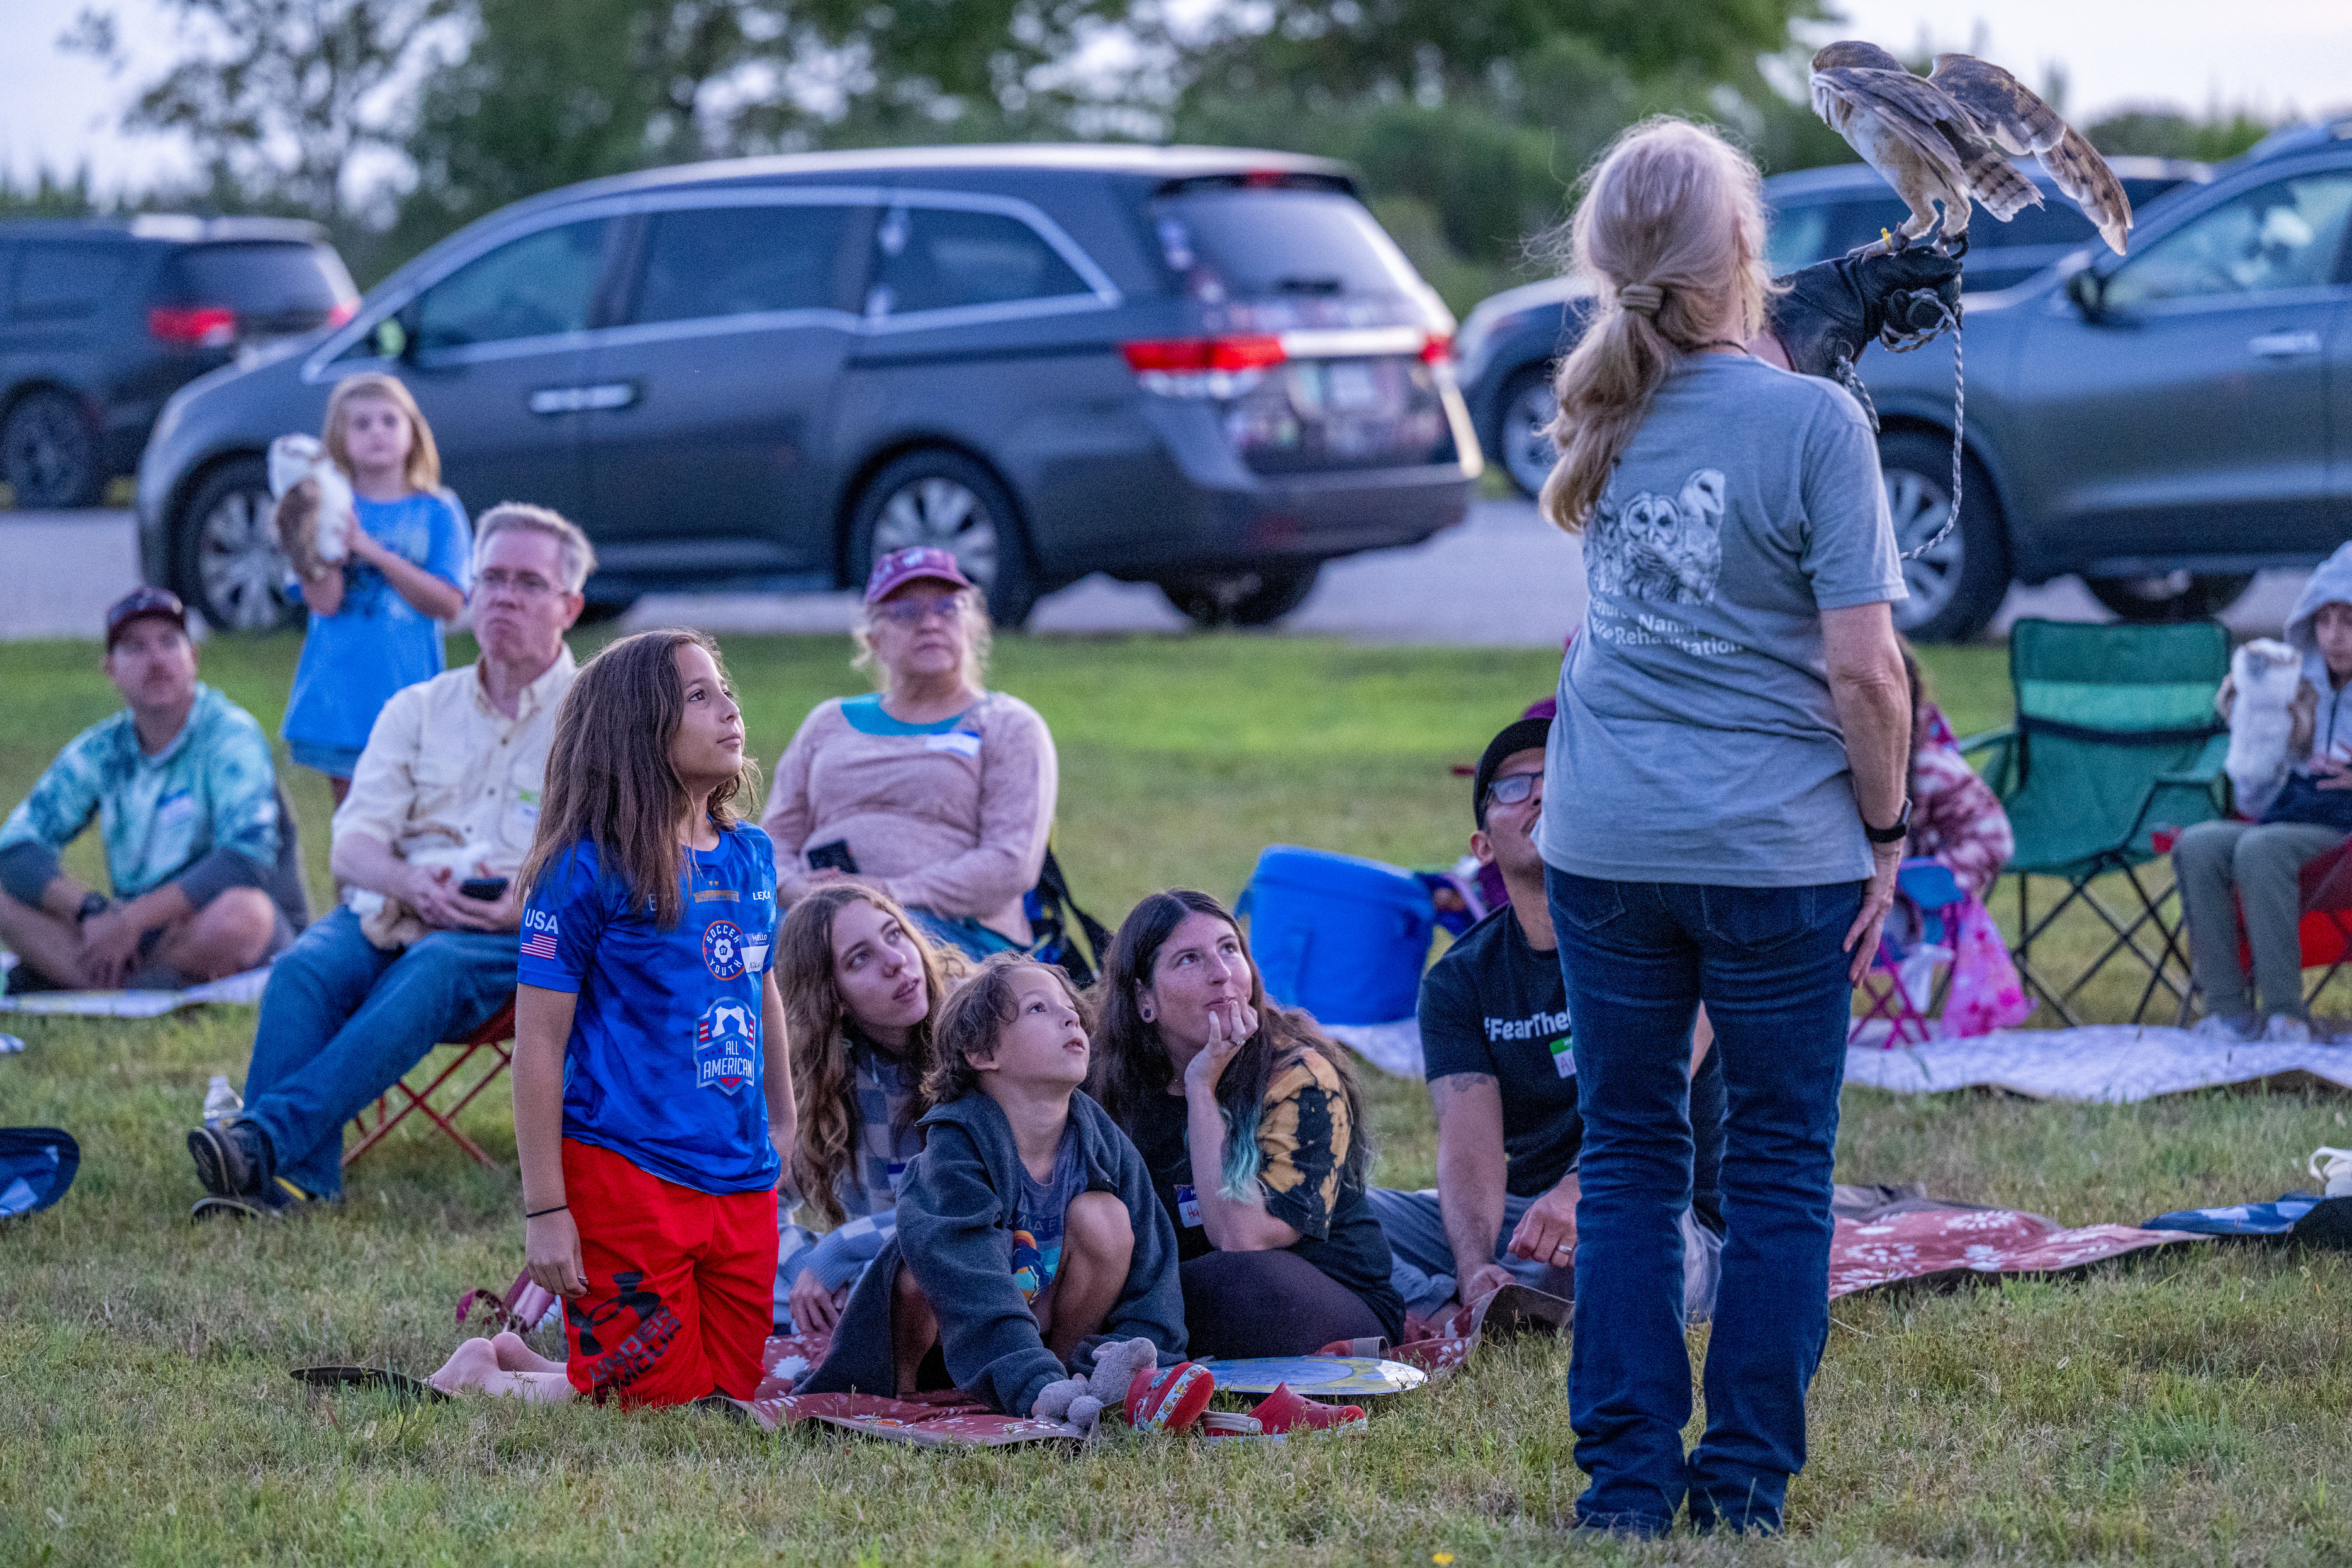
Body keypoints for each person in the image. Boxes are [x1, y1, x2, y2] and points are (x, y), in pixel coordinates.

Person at [1535, 120, 1911, 1535]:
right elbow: (1866, 671)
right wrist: (1884, 829)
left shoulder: (1593, 408)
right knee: (1772, 1165)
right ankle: (1742, 1484)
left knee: (1629, 1151)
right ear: (1744, 251)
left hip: (1605, 839)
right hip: (1775, 849)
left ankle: (1623, 1488)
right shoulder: (1816, 422)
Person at [184, 505, 591, 1218]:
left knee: (434, 967)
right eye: (491, 578)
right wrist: (409, 882)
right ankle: (293, 1182)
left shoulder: (595, 720)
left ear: (570, 605)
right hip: (398, 902)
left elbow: (608, 858)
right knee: (303, 968)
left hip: (521, 932)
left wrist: (522, 905)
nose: (503, 596)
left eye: (528, 582)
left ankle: (257, 1141)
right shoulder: (419, 707)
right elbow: (353, 843)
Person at [435, 628, 793, 1410]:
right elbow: (537, 1045)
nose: (730, 708)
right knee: (653, 1402)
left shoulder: (753, 855)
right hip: (625, 1170)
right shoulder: (584, 871)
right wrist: (547, 1212)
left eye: (724, 689)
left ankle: (516, 1360)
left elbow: (763, 993)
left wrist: (785, 1123)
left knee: (727, 1390)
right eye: (699, 696)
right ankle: (480, 1377)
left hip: (740, 1175)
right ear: (636, 728)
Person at [1367, 717, 1726, 1325]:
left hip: (1661, 1205)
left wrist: (1578, 1191)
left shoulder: (1667, 931)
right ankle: (1467, 1299)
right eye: (1513, 786)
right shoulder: (1460, 980)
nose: (1540, 793)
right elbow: (1470, 1150)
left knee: (1620, 1243)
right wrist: (1474, 1263)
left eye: (1559, 777)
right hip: (1526, 1218)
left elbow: (1657, 1092)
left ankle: (1476, 1305)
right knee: (1337, 1210)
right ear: (1482, 846)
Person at [802, 954, 1188, 1417]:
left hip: (1036, 1337)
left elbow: (1153, 1270)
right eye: (1038, 1009)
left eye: (1069, 1007)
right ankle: (896, 1401)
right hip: (955, 1340)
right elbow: (965, 1276)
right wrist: (1023, 1377)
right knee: (914, 1276)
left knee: (1105, 1218)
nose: (1070, 1015)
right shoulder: (956, 1146)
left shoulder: (1102, 1143)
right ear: (985, 1055)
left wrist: (1134, 1357)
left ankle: (1068, 1384)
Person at [1089, 890, 1406, 1357]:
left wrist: (1202, 1088)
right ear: (1144, 999)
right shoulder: (1108, 1085)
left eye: (1229, 949)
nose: (1221, 974)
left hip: (1312, 1292)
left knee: (1234, 1284)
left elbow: (1242, 1238)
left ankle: (1128, 1345)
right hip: (1184, 1290)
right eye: (1189, 960)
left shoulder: (1299, 1076)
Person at [0, 587, 305, 992]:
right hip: (137, 932)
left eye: (168, 643)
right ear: (110, 669)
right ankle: (132, 976)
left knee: (243, 914)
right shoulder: (101, 749)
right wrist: (89, 911)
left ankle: (98, 977)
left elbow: (246, 859)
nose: (157, 660)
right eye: (136, 648)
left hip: (222, 921)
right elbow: (16, 846)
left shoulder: (230, 734)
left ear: (193, 658)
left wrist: (131, 920)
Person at [763, 546, 1056, 961]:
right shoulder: (829, 721)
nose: (930, 623)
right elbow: (772, 840)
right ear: (873, 639)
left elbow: (1010, 864)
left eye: (948, 607)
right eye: (905, 611)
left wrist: (887, 894)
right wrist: (792, 888)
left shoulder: (1006, 723)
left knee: (850, 948)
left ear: (973, 627)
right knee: (724, 943)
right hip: (812, 915)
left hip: (952, 931)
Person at [2177, 547, 2352, 1044]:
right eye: (2325, 620)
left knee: (2260, 848)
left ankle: (2286, 1012)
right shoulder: (2299, 687)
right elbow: (2257, 802)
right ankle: (2229, 1010)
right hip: (2291, 817)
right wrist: (2257, 730)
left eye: (2350, 621)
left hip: (2343, 839)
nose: (2335, 636)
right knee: (2200, 844)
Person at [773, 883, 958, 1333]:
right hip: (881, 1268)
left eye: (895, 935)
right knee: (746, 1285)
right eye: (861, 959)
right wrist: (805, 1268)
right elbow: (763, 1197)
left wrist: (837, 1251)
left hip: (985, 1259)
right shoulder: (830, 1081)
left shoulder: (977, 1040)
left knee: (902, 1287)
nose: (896, 961)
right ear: (833, 1000)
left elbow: (967, 1203)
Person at [281, 374, 471, 806]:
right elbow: (325, 603)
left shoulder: (438, 510)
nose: (377, 433)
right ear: (339, 438)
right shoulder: (324, 506)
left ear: (412, 432)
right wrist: (315, 536)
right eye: (361, 424)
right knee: (353, 827)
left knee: (416, 829)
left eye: (389, 420)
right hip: (341, 696)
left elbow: (448, 603)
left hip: (411, 692)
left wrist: (372, 552)